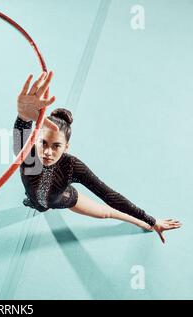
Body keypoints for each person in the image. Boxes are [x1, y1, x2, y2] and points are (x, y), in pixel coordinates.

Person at [13, 71, 181, 243]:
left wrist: (151, 221)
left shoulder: (71, 166)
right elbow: (21, 134)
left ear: (66, 147)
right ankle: (35, 202)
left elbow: (110, 196)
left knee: (106, 213)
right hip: (35, 196)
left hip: (61, 199)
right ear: (35, 140)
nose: (48, 152)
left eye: (56, 146)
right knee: (36, 200)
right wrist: (23, 117)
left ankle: (143, 223)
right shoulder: (29, 156)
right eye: (43, 143)